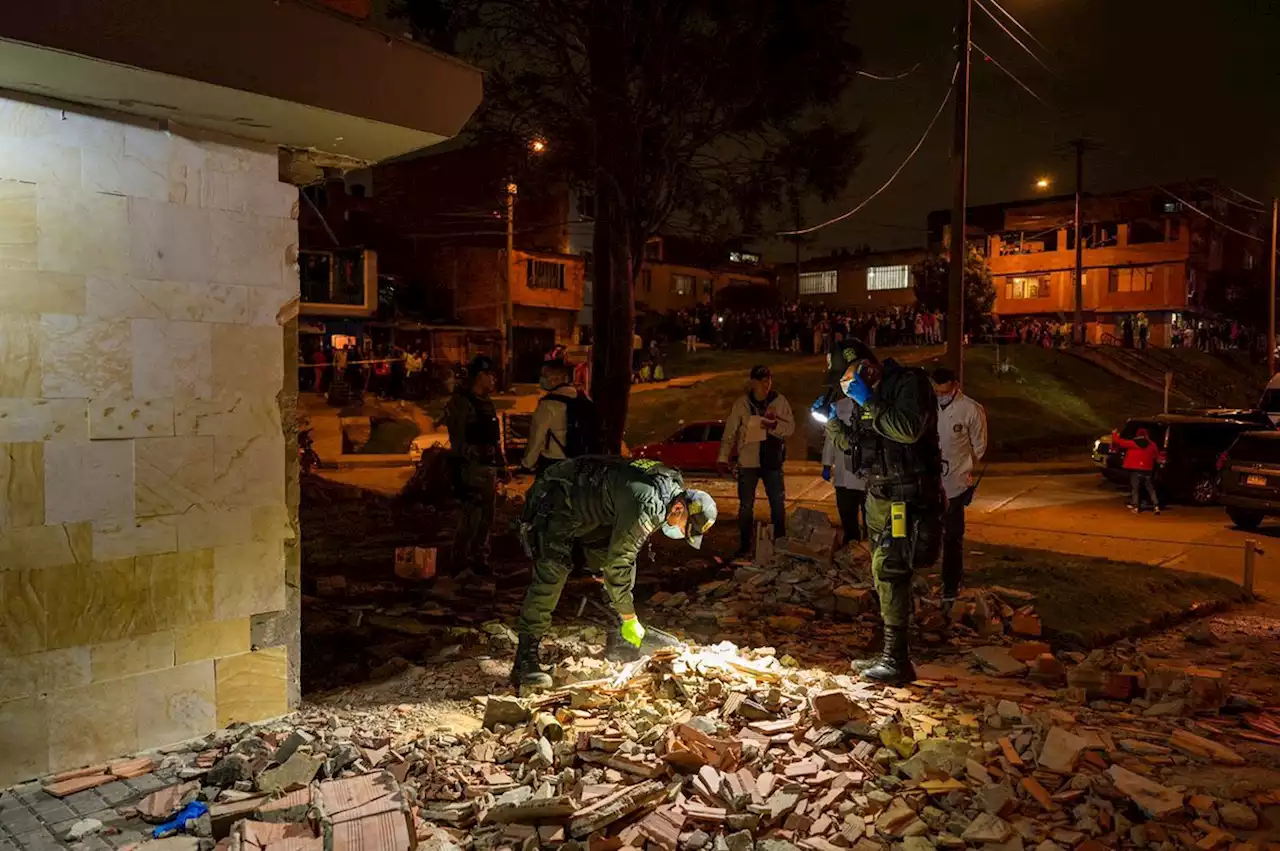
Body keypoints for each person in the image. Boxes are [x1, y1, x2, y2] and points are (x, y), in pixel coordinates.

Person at [510, 456, 718, 689]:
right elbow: (619, 562)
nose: (679, 532)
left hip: (592, 507)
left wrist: (623, 606)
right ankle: (524, 660)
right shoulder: (649, 504)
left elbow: (625, 556)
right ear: (679, 508)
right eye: (684, 527)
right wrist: (630, 617)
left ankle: (619, 638)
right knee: (553, 573)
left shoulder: (670, 489)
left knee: (607, 567)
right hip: (556, 498)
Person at [825, 340, 943, 684]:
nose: (845, 386)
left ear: (865, 366)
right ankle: (890, 653)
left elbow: (907, 430)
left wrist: (868, 400)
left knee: (891, 569)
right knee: (882, 574)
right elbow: (858, 447)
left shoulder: (909, 384)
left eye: (846, 376)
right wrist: (832, 424)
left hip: (906, 497)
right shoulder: (867, 397)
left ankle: (897, 660)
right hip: (879, 495)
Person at [718, 365, 796, 558]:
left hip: (772, 461)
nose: (766, 384)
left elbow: (791, 427)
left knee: (777, 504)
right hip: (749, 461)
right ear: (752, 382)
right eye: (762, 380)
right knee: (746, 506)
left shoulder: (779, 401)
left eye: (768, 380)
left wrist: (774, 426)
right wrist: (722, 458)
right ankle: (745, 545)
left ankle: (779, 543)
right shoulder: (742, 404)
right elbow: (730, 432)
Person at [931, 367, 988, 605]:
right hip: (929, 481)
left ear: (955, 385)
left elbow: (979, 448)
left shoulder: (971, 410)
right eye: (936, 391)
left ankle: (952, 584)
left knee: (953, 537)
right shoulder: (928, 404)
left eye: (944, 391)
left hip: (954, 483)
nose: (940, 395)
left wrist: (963, 472)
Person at [445, 355, 503, 573]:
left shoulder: (486, 403)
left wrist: (500, 462)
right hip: (471, 469)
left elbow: (493, 437)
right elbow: (458, 440)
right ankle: (460, 561)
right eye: (491, 376)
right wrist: (474, 456)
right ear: (480, 376)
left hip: (487, 468)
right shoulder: (461, 403)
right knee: (471, 517)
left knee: (487, 517)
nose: (494, 381)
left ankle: (479, 559)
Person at [822, 394, 867, 544]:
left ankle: (869, 544)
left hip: (866, 472)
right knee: (847, 512)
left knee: (870, 514)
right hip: (843, 471)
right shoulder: (839, 406)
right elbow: (830, 438)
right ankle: (851, 542)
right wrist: (827, 463)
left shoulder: (870, 402)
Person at [1111, 427, 1161, 514]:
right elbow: (1156, 456)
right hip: (1147, 469)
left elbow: (1119, 442)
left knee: (1135, 489)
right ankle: (1156, 506)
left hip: (1135, 469)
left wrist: (1114, 434)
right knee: (1150, 488)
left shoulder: (1133, 443)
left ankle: (1136, 507)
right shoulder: (1152, 445)